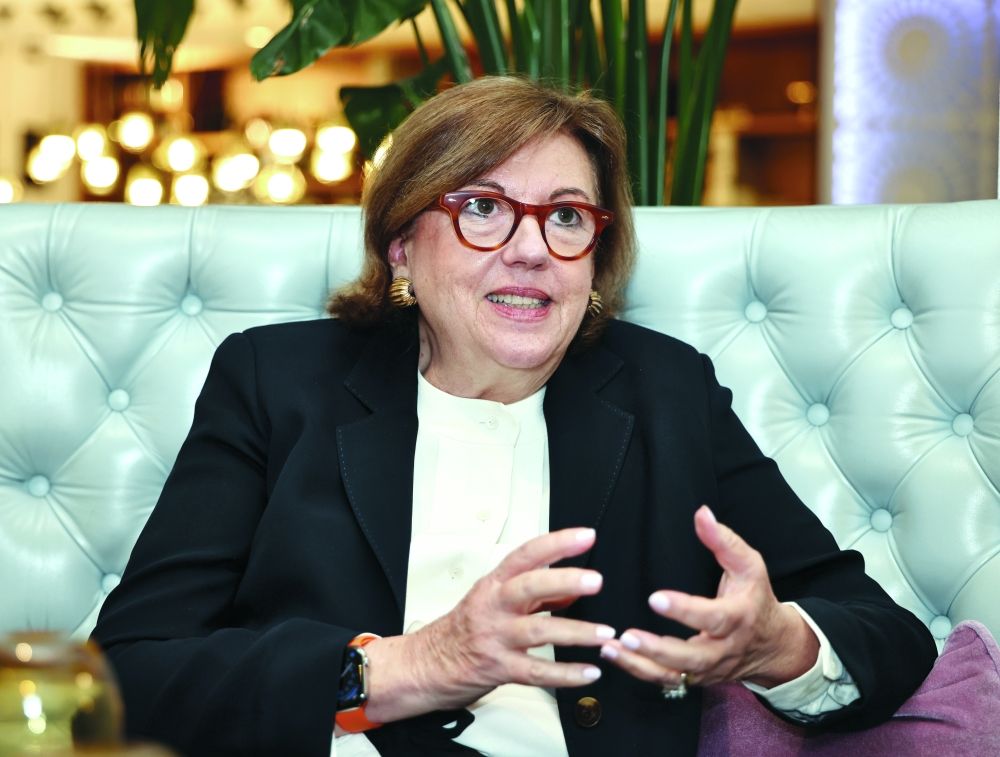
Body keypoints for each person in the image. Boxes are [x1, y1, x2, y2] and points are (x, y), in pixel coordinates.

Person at [92, 76, 936, 757]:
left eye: (567, 216)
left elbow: (886, 633)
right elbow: (127, 673)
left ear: (596, 256)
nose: (531, 248)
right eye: (483, 207)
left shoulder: (664, 392)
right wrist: (406, 666)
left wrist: (780, 644)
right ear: (400, 242)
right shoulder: (277, 382)